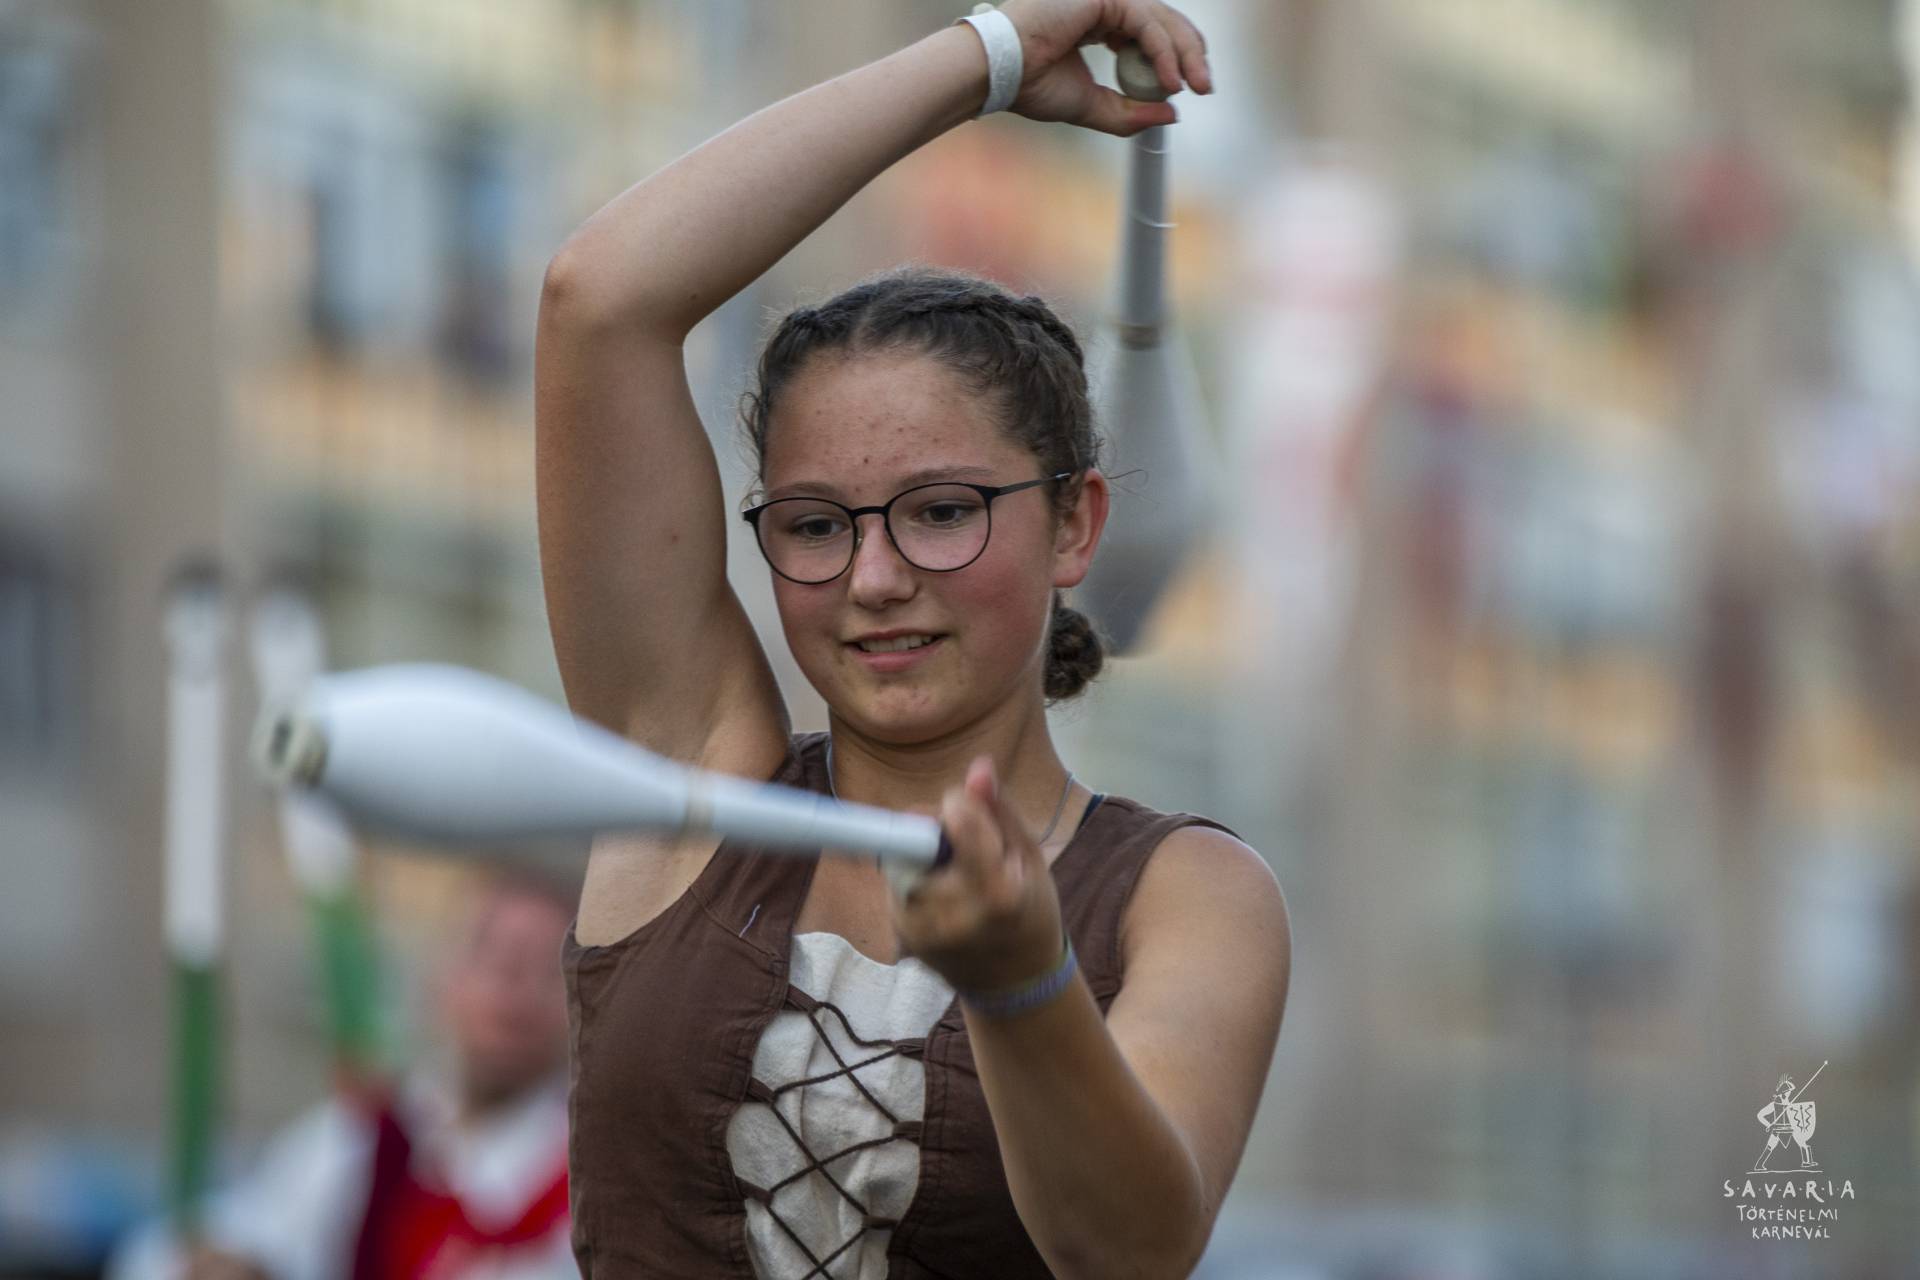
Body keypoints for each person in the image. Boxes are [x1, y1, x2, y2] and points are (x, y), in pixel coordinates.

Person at [538, 1, 1292, 1275]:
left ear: (1074, 522)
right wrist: (987, 57)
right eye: (816, 524)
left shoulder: (1187, 895)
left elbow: (1128, 1250)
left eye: (942, 511)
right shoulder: (692, 782)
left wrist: (1025, 982)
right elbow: (598, 298)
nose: (874, 579)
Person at [109, 874, 578, 1280]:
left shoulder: (590, 1170)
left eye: (546, 968)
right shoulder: (365, 1139)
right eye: (496, 958)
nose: (516, 989)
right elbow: (192, 1246)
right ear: (444, 979)